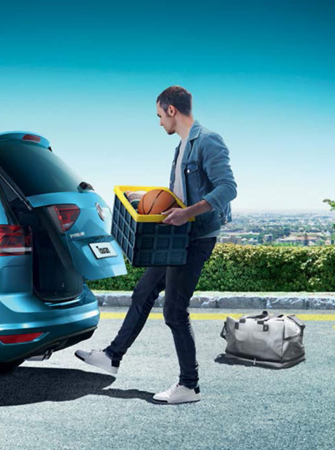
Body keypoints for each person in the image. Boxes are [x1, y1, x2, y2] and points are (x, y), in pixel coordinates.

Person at [76, 85, 237, 405]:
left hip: (196, 237)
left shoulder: (207, 141)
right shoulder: (181, 149)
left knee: (175, 312)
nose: (159, 121)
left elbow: (228, 189)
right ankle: (112, 356)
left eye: (159, 115)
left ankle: (189, 385)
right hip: (177, 236)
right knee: (143, 291)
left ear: (172, 110)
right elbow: (175, 195)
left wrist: (187, 213)